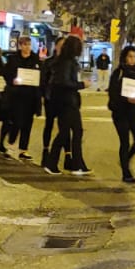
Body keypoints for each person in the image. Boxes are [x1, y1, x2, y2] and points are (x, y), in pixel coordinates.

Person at [43, 35, 91, 176]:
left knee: (73, 132)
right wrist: (82, 85)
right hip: (66, 102)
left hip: (67, 101)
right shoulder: (66, 63)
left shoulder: (66, 61)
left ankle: (75, 164)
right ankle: (61, 164)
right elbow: (64, 82)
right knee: (69, 132)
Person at [107, 45, 135, 183]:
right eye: (130, 56)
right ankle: (125, 172)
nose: (132, 59)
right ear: (124, 57)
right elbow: (112, 94)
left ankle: (125, 159)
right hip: (120, 113)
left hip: (133, 112)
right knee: (124, 142)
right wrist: (126, 99)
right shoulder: (118, 73)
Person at [3, 36, 42, 161]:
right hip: (17, 96)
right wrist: (12, 80)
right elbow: (6, 73)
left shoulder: (36, 59)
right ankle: (10, 146)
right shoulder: (13, 59)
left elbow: (41, 75)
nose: (27, 47)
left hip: (31, 96)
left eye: (29, 44)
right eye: (24, 45)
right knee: (16, 122)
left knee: (27, 124)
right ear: (20, 46)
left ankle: (23, 150)